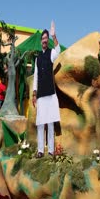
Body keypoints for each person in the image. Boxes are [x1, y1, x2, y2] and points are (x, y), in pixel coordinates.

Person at [32, 22, 61, 158]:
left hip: (50, 93)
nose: (44, 40)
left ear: (47, 40)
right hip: (41, 95)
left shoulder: (51, 53)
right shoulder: (37, 58)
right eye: (42, 38)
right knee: (40, 123)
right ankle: (40, 150)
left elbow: (59, 49)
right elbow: (36, 76)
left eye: (46, 38)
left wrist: (54, 35)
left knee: (50, 122)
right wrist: (34, 93)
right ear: (40, 41)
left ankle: (50, 150)